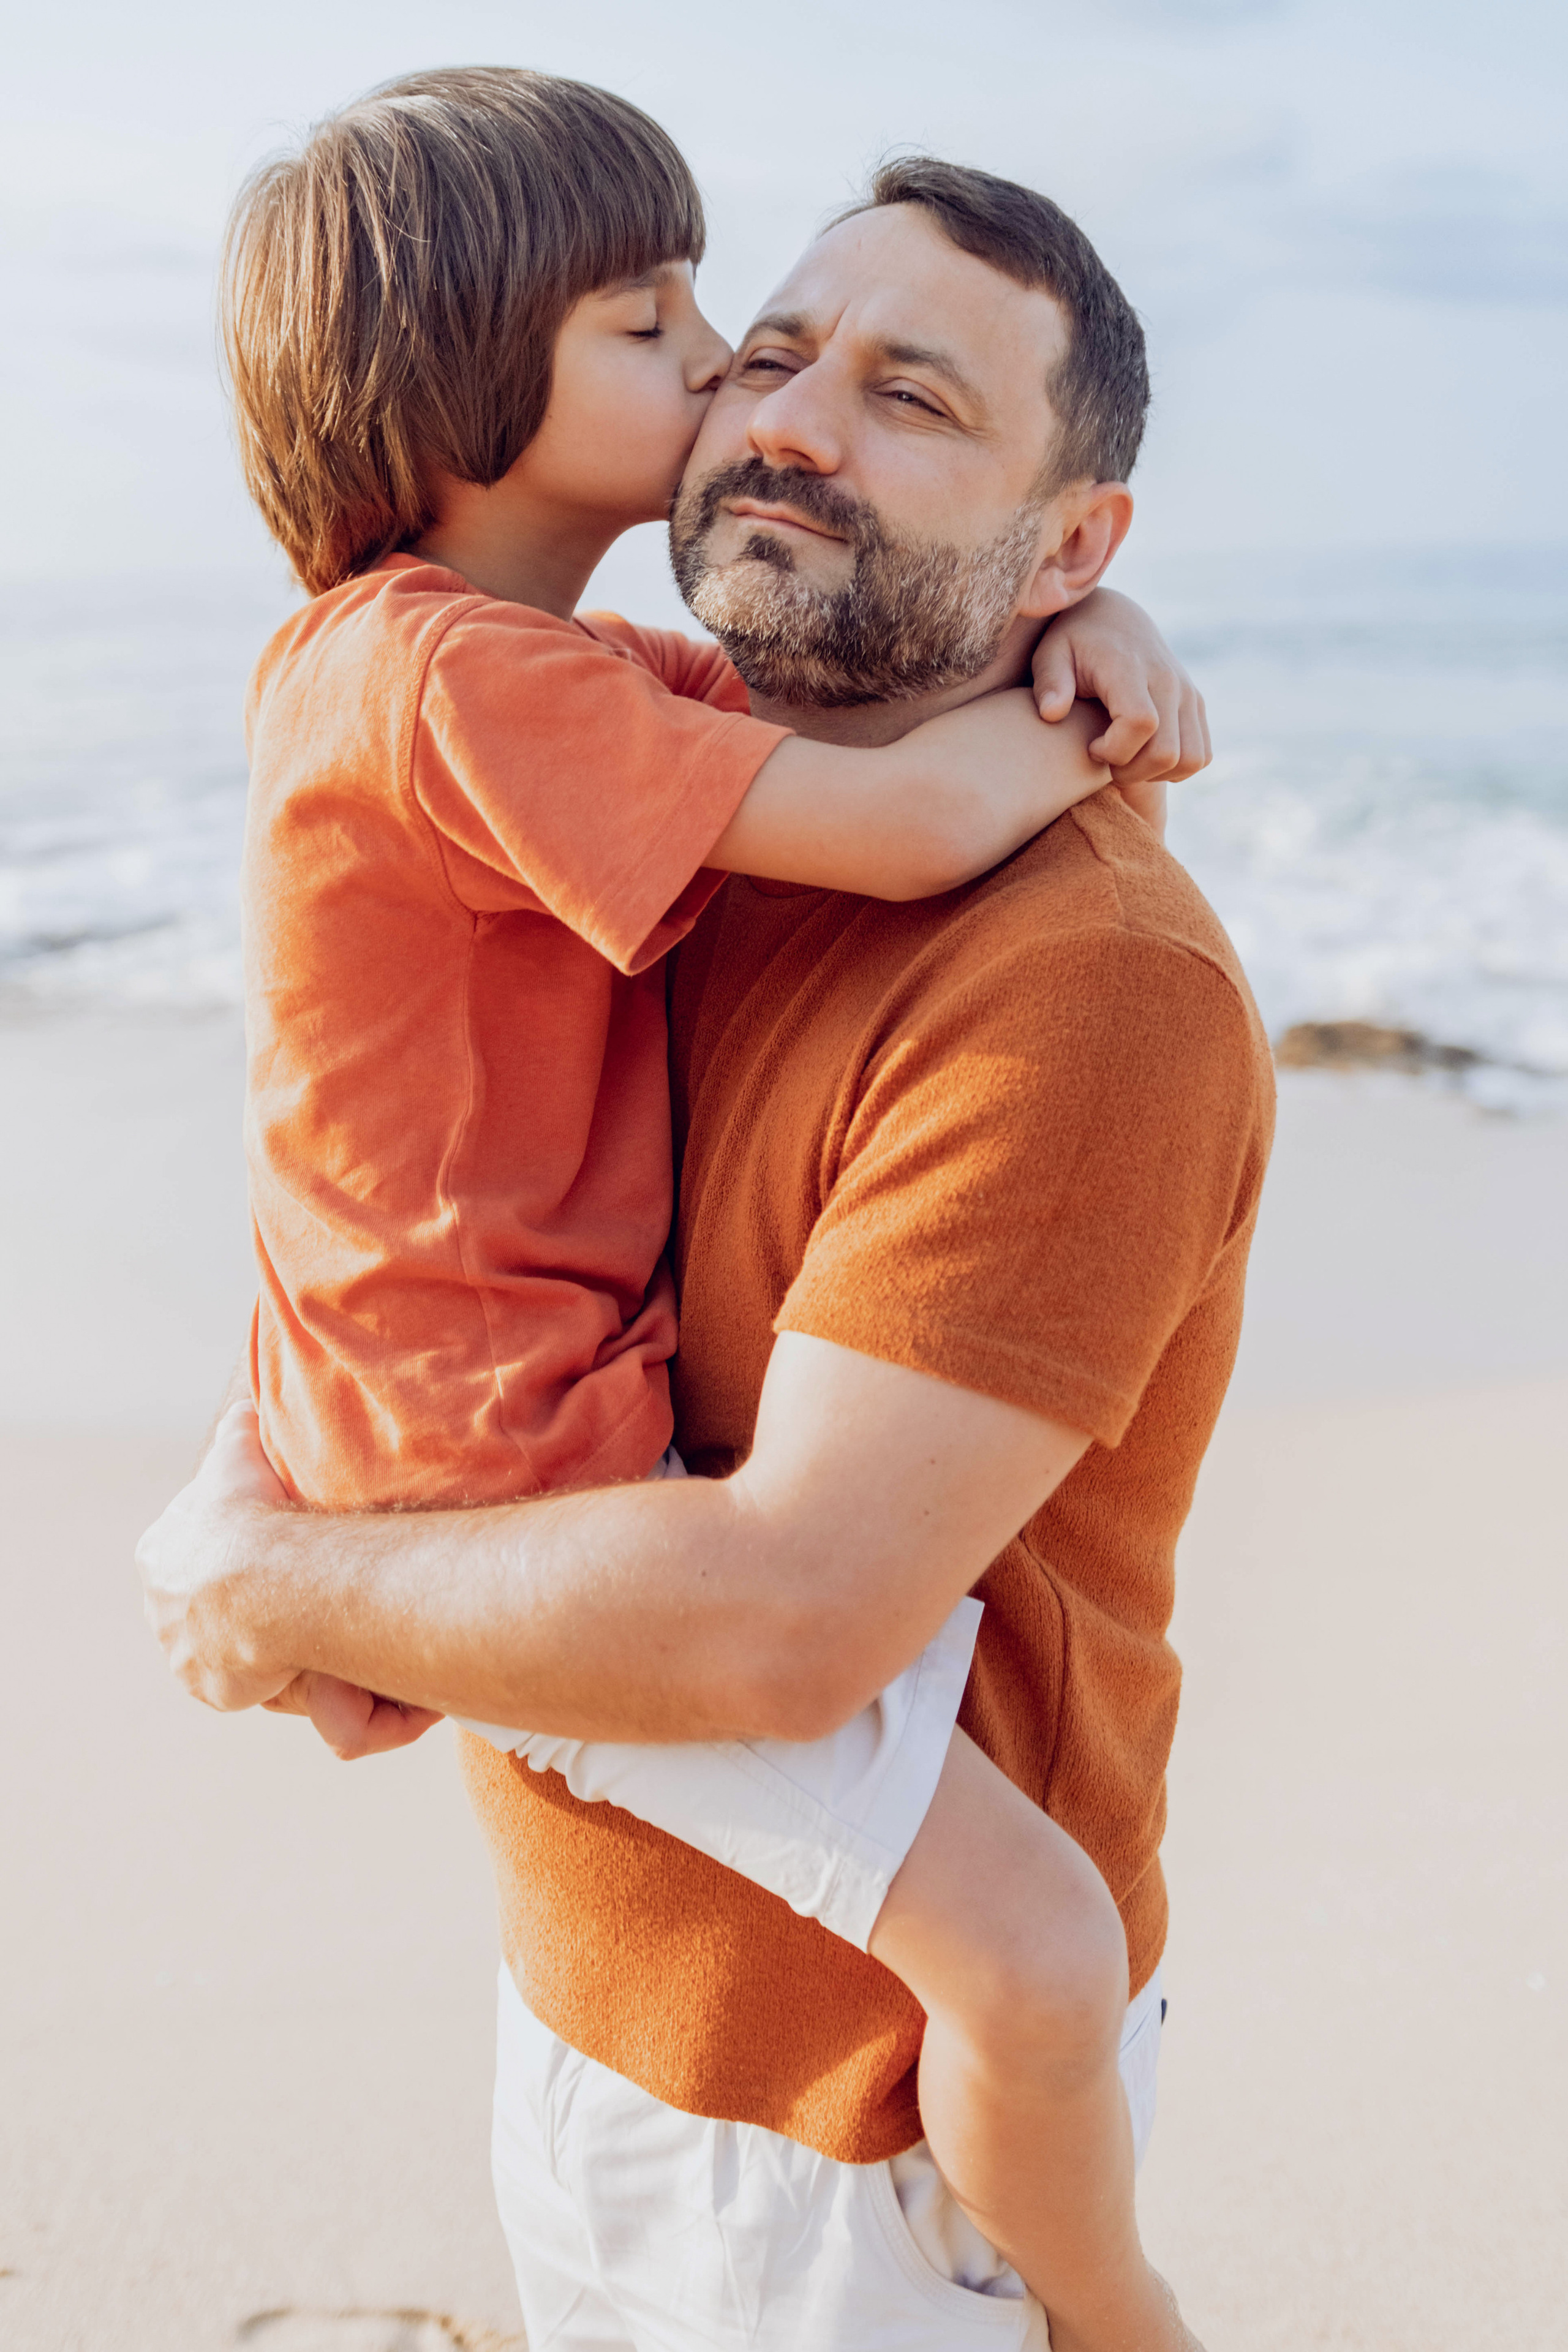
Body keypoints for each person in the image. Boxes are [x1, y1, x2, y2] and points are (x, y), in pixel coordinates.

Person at [140, 134, 1268, 2352]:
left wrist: (274, 1578)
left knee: (1029, 1959)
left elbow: (780, 1625)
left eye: (911, 397)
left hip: (851, 2141)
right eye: (758, 349)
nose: (785, 414)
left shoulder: (1084, 983)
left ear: (1069, 539)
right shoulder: (648, 744)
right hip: (593, 2011)